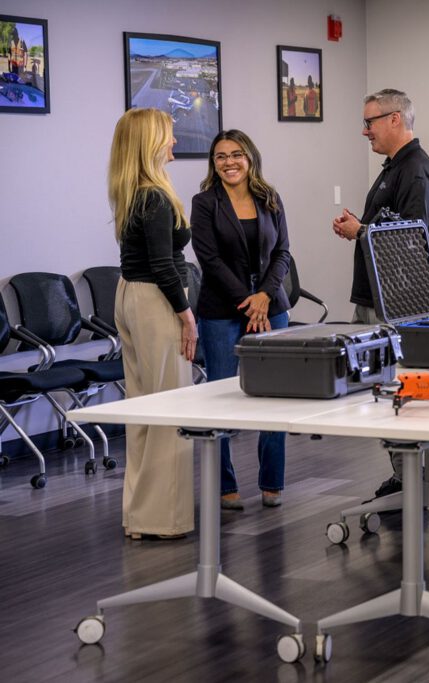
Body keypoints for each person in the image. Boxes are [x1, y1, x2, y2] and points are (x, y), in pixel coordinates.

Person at [331, 88, 429, 495]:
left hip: (397, 302)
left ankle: (412, 482)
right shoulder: (394, 167)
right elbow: (390, 225)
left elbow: (410, 238)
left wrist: (361, 230)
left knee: (398, 394)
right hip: (376, 297)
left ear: (395, 119)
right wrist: (362, 226)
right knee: (382, 393)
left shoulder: (415, 170)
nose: (365, 131)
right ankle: (405, 479)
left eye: (369, 122)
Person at [191, 130, 292, 510]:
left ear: (250, 158)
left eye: (236, 154)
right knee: (220, 396)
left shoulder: (270, 198)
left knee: (276, 395)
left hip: (272, 307)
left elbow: (283, 252)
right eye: (220, 156)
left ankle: (272, 481)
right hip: (222, 310)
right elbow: (209, 259)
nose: (229, 162)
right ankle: (224, 485)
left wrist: (264, 295)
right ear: (213, 163)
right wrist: (248, 302)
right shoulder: (205, 203)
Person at [108, 108, 197, 540]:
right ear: (150, 143)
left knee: (142, 409)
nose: (174, 141)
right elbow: (164, 265)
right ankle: (165, 520)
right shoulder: (156, 197)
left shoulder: (132, 192)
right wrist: (187, 316)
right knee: (170, 409)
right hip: (155, 301)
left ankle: (139, 517)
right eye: (168, 135)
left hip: (129, 294)